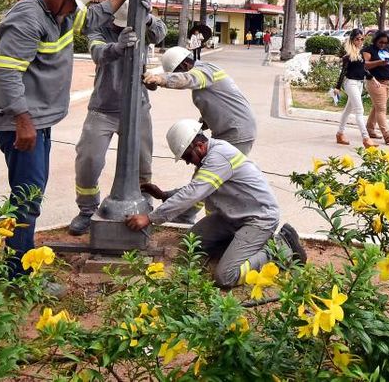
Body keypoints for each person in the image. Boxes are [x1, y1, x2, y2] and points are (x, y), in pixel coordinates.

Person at [0, 0, 96, 275]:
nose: (72, 13)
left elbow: (94, 18)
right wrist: (23, 120)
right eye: (72, 6)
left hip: (37, 122)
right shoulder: (28, 17)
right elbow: (6, 72)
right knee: (27, 197)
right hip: (23, 125)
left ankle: (20, 261)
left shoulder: (56, 15)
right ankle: (16, 273)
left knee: (31, 193)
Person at [126, 120, 307, 288]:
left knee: (226, 276)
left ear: (199, 145)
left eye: (187, 156)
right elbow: (195, 190)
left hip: (258, 219)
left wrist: (150, 218)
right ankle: (238, 245)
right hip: (232, 216)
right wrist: (163, 195)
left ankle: (281, 247)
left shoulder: (219, 156)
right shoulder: (208, 159)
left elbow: (194, 193)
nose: (188, 162)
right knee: (192, 244)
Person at [68, 0, 166, 236]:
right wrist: (117, 47)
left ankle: (144, 209)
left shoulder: (139, 24)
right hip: (103, 108)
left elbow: (161, 34)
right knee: (88, 160)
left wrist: (147, 20)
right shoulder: (97, 27)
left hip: (138, 108)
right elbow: (98, 53)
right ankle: (87, 210)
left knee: (143, 164)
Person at [144, 46, 257, 153]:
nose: (176, 75)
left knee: (216, 169)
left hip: (236, 132)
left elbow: (188, 79)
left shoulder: (203, 71)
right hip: (232, 130)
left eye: (176, 73)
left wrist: (160, 79)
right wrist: (202, 124)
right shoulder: (207, 70)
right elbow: (217, 103)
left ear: (185, 65)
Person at [334, 29, 371, 147]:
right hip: (350, 83)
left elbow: (363, 69)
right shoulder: (348, 55)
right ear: (352, 40)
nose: (360, 41)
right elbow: (343, 71)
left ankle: (340, 134)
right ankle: (366, 138)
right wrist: (337, 87)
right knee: (359, 110)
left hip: (359, 84)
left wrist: (373, 79)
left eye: (361, 39)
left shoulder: (360, 54)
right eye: (357, 39)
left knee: (348, 110)